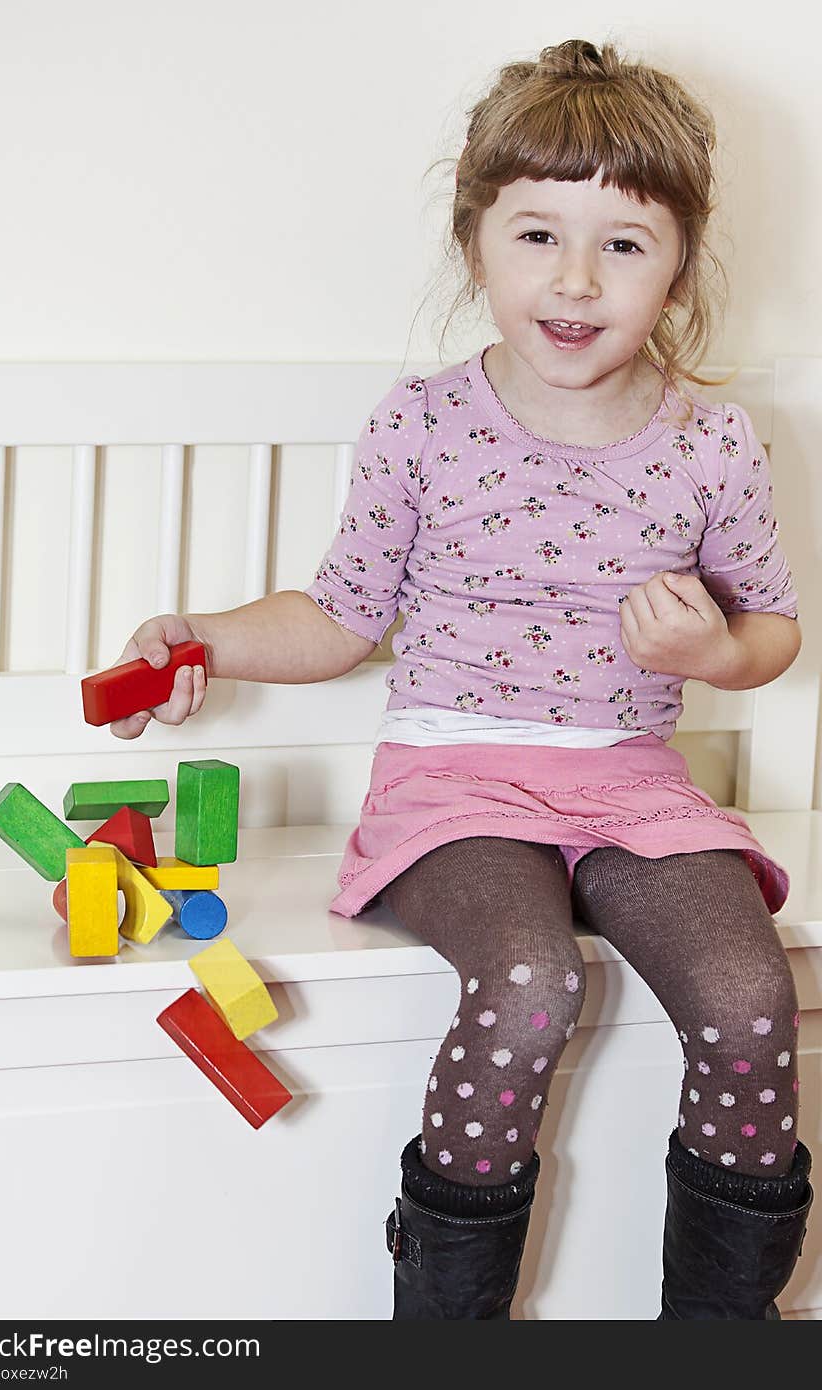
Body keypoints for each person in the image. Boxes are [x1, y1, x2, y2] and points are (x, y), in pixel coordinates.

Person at [110, 37, 813, 1321]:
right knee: (531, 981)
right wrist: (196, 632)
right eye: (538, 234)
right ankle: (447, 1330)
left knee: (747, 990)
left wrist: (714, 655)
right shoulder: (423, 424)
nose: (577, 279)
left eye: (624, 243)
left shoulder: (711, 442)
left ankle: (720, 1328)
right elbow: (337, 615)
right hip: (456, 773)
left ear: (679, 265)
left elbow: (771, 625)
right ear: (475, 240)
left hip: (631, 781)